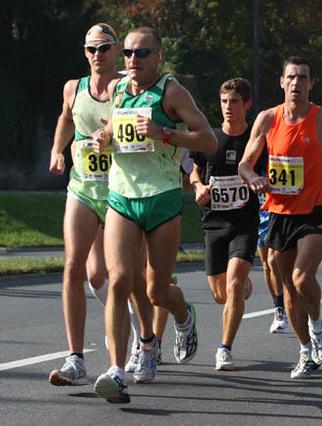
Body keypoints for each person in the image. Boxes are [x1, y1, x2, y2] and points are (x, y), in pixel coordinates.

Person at [91, 26, 217, 403]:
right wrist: (103, 138)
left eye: (142, 53)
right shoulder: (117, 89)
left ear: (159, 57)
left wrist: (164, 133)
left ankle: (183, 316)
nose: (133, 60)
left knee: (155, 290)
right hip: (122, 197)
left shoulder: (172, 92)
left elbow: (208, 140)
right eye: (128, 53)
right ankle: (118, 368)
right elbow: (116, 128)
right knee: (119, 281)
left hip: (162, 198)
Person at [46, 23, 157, 387]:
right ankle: (75, 358)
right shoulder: (73, 88)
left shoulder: (127, 88)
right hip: (83, 187)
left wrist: (112, 137)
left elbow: (147, 127)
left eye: (105, 48)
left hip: (120, 192)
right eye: (92, 49)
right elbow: (66, 118)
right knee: (79, 269)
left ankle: (145, 340)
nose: (98, 55)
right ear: (85, 52)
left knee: (130, 277)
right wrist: (58, 150)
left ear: (116, 50)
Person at [239, 56, 322, 379]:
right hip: (279, 211)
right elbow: (245, 164)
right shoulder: (267, 119)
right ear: (282, 82)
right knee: (289, 290)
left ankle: (318, 328)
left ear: (311, 83)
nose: (296, 83)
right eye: (291, 77)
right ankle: (305, 350)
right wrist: (254, 179)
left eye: (302, 77)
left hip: (315, 210)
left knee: (302, 277)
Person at [190, 78, 265, 371]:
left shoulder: (255, 141)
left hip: (245, 223)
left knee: (233, 285)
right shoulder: (209, 138)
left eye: (234, 101)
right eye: (224, 102)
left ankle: (224, 349)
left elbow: (270, 171)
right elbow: (194, 171)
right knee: (221, 295)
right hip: (214, 222)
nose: (228, 107)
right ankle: (243, 284)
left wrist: (260, 182)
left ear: (247, 104)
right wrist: (198, 187)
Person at [258, 194, 289, 334]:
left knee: (273, 260)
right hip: (260, 213)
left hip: (280, 210)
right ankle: (278, 307)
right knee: (267, 266)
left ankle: (288, 306)